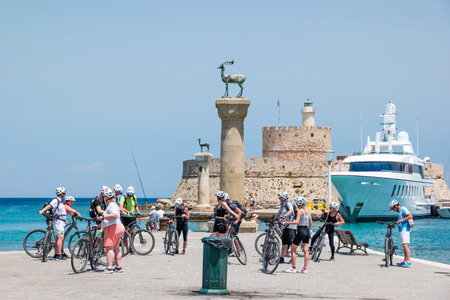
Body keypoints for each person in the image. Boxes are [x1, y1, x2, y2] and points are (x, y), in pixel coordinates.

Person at [39, 187, 80, 260]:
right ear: (62, 194)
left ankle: (56, 254)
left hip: (60, 221)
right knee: (60, 238)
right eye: (64, 193)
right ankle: (59, 255)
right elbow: (49, 206)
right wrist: (42, 211)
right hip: (58, 222)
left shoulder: (60, 202)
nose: (65, 195)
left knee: (58, 238)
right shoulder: (56, 200)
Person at [97, 186, 125, 273]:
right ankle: (118, 267)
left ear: (106, 197)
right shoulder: (115, 204)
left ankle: (109, 268)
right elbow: (110, 219)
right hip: (118, 226)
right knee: (116, 248)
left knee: (109, 248)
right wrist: (99, 225)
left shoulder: (111, 205)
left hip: (113, 228)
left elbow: (115, 215)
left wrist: (103, 216)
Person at [282, 197, 312, 273]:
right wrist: (309, 230)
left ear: (298, 204)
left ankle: (293, 267)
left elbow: (297, 222)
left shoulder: (299, 211)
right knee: (306, 250)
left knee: (293, 249)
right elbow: (311, 223)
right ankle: (305, 269)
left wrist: (286, 223)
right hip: (306, 230)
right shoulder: (308, 211)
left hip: (301, 230)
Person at [390, 199, 413, 267]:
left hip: (405, 229)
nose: (393, 210)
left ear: (395, 206)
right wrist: (394, 223)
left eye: (393, 208)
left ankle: (408, 261)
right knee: (404, 245)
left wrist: (402, 220)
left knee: (405, 245)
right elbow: (400, 221)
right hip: (401, 229)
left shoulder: (403, 209)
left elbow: (410, 216)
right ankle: (405, 261)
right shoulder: (400, 211)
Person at [274, 192, 296, 264]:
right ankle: (282, 258)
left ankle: (292, 259)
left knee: (291, 243)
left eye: (280, 197)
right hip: (284, 227)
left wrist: (284, 216)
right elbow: (279, 213)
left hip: (290, 226)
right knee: (284, 243)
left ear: (283, 198)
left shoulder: (288, 203)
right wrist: (273, 220)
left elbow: (291, 210)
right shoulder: (282, 205)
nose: (279, 198)